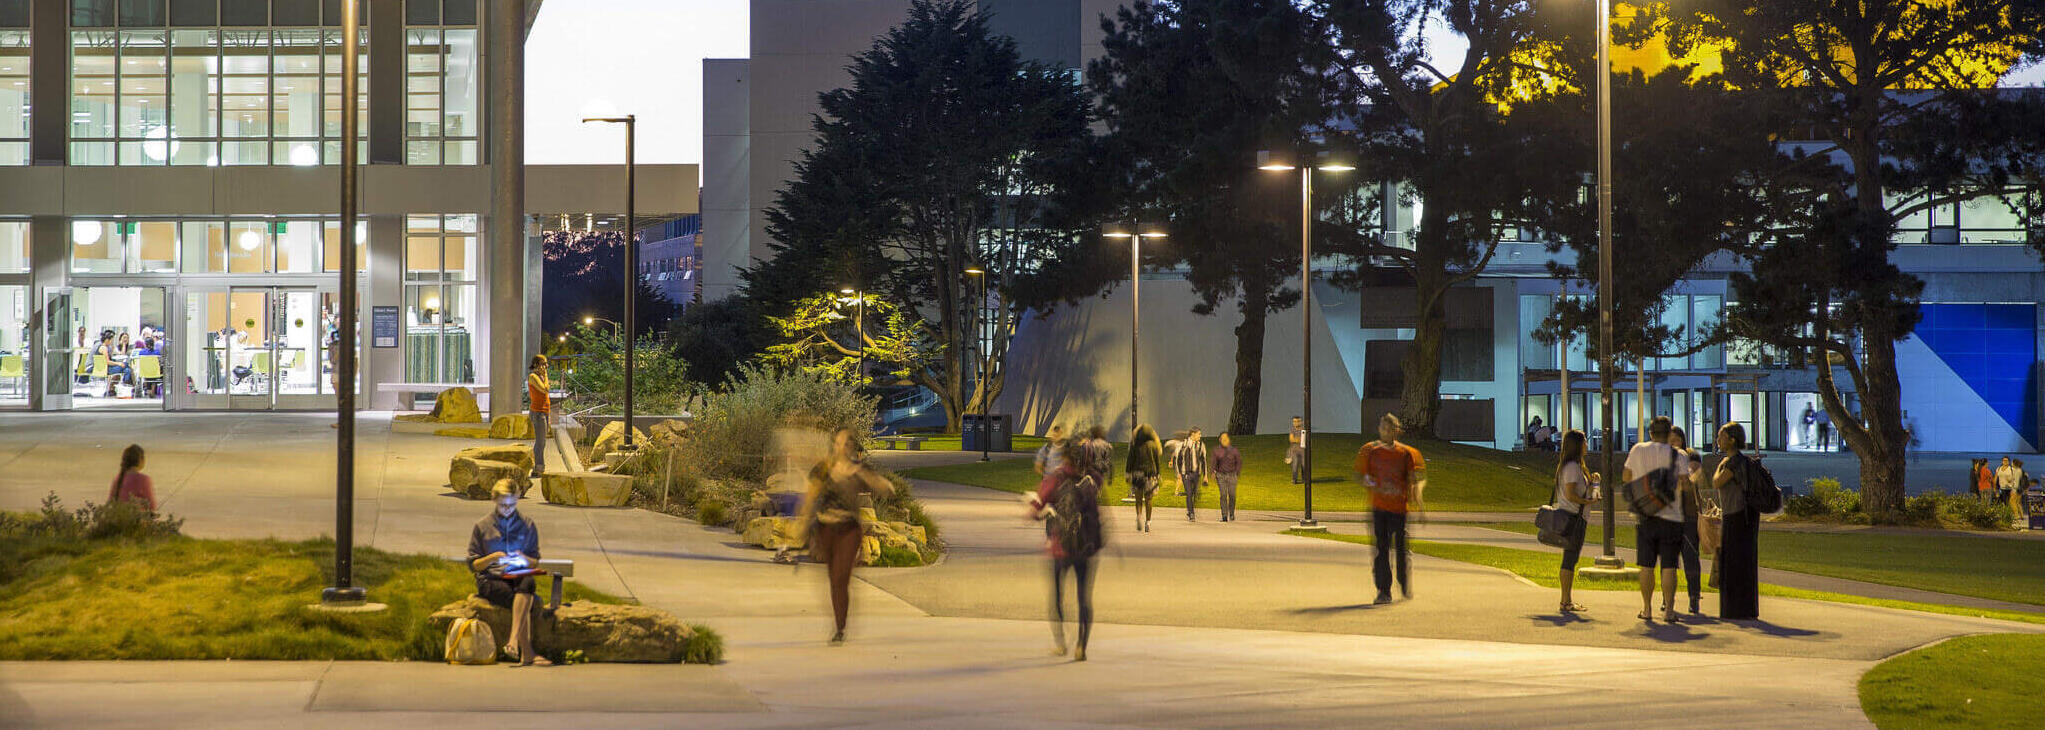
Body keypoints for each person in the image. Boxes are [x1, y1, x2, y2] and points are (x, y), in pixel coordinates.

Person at [798, 427, 895, 645]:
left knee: (841, 577)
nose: (839, 447)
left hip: (849, 529)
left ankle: (840, 628)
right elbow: (810, 496)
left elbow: (881, 485)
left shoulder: (859, 470)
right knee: (834, 580)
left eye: (844, 443)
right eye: (837, 442)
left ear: (851, 446)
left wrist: (883, 485)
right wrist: (803, 523)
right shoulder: (823, 469)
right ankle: (839, 624)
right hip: (825, 528)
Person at [1029, 439, 1105, 661]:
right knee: (1084, 598)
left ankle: (1061, 643)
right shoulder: (1092, 480)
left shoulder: (1056, 478)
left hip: (1060, 547)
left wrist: (1043, 512)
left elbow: (1035, 509)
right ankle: (1081, 646)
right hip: (1085, 548)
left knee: (1057, 597)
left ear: (1064, 458)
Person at [465, 480, 551, 666]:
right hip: (490, 578)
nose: (508, 509)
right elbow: (474, 564)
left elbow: (535, 559)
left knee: (528, 582)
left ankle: (513, 643)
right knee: (521, 600)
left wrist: (522, 558)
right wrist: (492, 557)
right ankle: (526, 652)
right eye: (503, 505)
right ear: (494, 500)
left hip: (516, 574)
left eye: (512, 504)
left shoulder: (526, 524)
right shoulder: (482, 526)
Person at [1624, 415, 1690, 623]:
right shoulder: (1678, 455)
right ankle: (1669, 611)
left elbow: (1626, 477)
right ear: (1670, 433)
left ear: (1650, 433)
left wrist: (1645, 486)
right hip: (1672, 516)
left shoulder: (1638, 450)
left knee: (1646, 566)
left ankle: (1646, 608)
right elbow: (1685, 484)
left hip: (1645, 516)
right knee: (1669, 565)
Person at [1356, 414, 1426, 604]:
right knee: (1381, 549)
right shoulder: (1370, 451)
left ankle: (1403, 580)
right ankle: (1383, 590)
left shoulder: (1406, 454)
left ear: (1396, 431)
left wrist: (1419, 507)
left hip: (1399, 509)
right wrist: (1369, 482)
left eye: (1390, 429)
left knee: (1402, 549)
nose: (1386, 432)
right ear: (1379, 429)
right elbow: (1360, 475)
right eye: (1383, 428)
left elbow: (1412, 480)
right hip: (1379, 508)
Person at [1711, 423, 1761, 620]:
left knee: (1734, 563)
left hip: (1737, 516)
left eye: (1721, 436)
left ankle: (1734, 609)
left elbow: (1717, 481)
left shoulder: (1733, 462)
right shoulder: (1738, 461)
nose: (1718, 439)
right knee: (1741, 563)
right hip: (1742, 516)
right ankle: (1743, 608)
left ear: (1732, 439)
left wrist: (1720, 465)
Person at [1551, 430, 1596, 613]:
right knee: (1569, 558)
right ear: (1577, 445)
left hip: (1577, 516)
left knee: (1571, 558)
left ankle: (1567, 599)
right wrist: (1588, 502)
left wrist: (1592, 482)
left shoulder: (1574, 466)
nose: (1586, 444)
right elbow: (1571, 494)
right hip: (1573, 517)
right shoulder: (1571, 467)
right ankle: (1565, 601)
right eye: (1584, 441)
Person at [1671, 426, 1708, 615]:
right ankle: (1668, 599)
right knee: (1669, 560)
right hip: (1669, 515)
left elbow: (1692, 479)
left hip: (1688, 515)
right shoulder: (1664, 458)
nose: (1672, 444)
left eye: (1676, 440)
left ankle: (1694, 596)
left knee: (1690, 557)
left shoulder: (1690, 456)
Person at [1125, 424, 1163, 532]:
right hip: (1150, 475)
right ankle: (1148, 522)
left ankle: (1139, 516)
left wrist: (1128, 473)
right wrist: (1158, 474)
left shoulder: (1135, 445)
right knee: (1149, 499)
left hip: (1137, 474)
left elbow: (1130, 460)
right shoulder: (1153, 445)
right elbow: (1157, 461)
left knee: (1138, 499)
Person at [1172, 427, 1210, 521]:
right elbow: (1177, 460)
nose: (1200, 436)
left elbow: (1204, 460)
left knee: (1193, 493)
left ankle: (1189, 511)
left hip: (1196, 474)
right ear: (1193, 434)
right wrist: (1178, 473)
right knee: (1189, 493)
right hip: (1186, 474)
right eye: (1199, 434)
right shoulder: (1183, 445)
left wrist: (1205, 475)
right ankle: (1192, 513)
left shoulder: (1201, 445)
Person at [106, 444, 157, 511]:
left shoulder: (118, 478)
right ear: (141, 460)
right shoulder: (143, 479)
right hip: (136, 520)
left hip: (118, 519)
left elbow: (110, 503)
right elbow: (152, 506)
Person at [527, 355, 551, 478]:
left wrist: (545, 376)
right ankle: (538, 468)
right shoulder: (533, 377)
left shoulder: (541, 376)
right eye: (543, 364)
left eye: (546, 364)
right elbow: (545, 389)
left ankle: (538, 467)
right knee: (540, 442)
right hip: (538, 412)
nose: (545, 367)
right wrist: (546, 376)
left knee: (542, 441)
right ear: (536, 364)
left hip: (545, 411)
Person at [1212, 432, 1243, 522]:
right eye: (1222, 439)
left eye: (1226, 439)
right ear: (1220, 440)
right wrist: (1213, 472)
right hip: (1221, 476)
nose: (1224, 440)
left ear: (1229, 440)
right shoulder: (1216, 450)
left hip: (1232, 475)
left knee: (1232, 495)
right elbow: (1214, 462)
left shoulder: (1234, 450)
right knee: (1223, 495)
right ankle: (1224, 516)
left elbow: (1239, 462)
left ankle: (1232, 513)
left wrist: (1236, 472)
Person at [1078, 425, 1113, 489]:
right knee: (1096, 489)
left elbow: (1082, 460)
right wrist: (1110, 476)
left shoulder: (1088, 444)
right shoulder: (1107, 445)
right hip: (1100, 471)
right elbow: (1108, 462)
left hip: (1089, 470)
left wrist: (1080, 471)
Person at [1287, 416, 1307, 484]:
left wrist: (1296, 439)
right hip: (1294, 450)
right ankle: (1294, 479)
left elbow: (1304, 439)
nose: (1296, 423)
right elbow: (1291, 439)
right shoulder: (1292, 430)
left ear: (1301, 422)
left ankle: (1304, 479)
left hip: (1303, 450)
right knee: (1295, 465)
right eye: (1294, 421)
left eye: (1298, 421)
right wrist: (1298, 439)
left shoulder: (1303, 429)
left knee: (1304, 465)